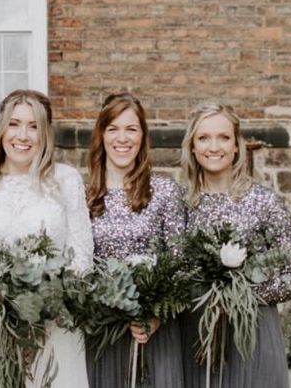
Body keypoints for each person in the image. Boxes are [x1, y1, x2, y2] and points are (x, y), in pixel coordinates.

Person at [0, 89, 93, 388]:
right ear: (1, 128)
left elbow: (81, 258)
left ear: (46, 134)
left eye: (34, 126)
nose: (23, 135)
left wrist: (41, 316)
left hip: (49, 334)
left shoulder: (66, 181)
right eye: (14, 123)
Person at [180, 102, 291, 388]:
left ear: (237, 146)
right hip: (195, 335)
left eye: (223, 137)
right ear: (192, 147)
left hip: (253, 334)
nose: (214, 147)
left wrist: (242, 297)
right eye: (203, 138)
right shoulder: (181, 204)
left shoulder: (263, 201)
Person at [85, 92, 186, 387]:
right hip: (103, 331)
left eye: (131, 129)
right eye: (113, 129)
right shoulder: (84, 195)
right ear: (101, 135)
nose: (122, 138)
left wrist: (155, 315)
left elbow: (179, 261)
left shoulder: (165, 191)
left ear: (143, 136)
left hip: (154, 330)